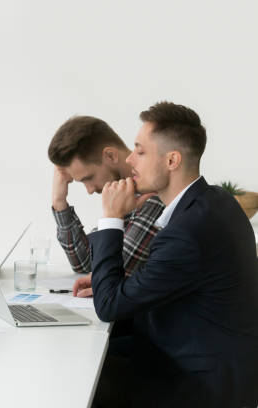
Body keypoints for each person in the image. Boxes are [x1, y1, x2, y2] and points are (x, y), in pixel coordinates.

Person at [88, 102, 258, 407]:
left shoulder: (189, 231)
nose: (130, 160)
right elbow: (159, 282)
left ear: (172, 160)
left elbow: (109, 306)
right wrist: (114, 283)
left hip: (196, 386)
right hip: (198, 359)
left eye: (140, 151)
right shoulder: (214, 201)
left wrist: (111, 218)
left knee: (85, 380)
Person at [48, 116, 164, 296]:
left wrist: (112, 216)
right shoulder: (127, 192)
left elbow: (109, 273)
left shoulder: (155, 195)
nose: (89, 190)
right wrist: (59, 203)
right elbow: (85, 263)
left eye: (88, 178)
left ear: (110, 155)